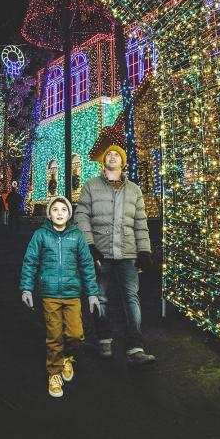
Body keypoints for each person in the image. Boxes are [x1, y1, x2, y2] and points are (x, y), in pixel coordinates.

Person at [74, 141, 155, 366]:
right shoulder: (91, 186)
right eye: (108, 154)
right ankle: (104, 339)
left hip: (128, 253)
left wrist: (145, 251)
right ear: (103, 161)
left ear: (122, 161)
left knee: (131, 299)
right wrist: (90, 245)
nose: (111, 157)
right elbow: (81, 216)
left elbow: (140, 223)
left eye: (116, 155)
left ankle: (135, 347)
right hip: (100, 253)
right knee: (100, 298)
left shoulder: (134, 190)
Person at [20, 196, 103, 398]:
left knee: (75, 334)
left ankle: (67, 356)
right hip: (49, 295)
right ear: (49, 214)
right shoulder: (41, 235)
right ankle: (54, 373)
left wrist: (92, 294)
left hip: (73, 294)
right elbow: (30, 261)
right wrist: (26, 288)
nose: (59, 213)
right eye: (55, 209)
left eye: (63, 210)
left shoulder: (77, 236)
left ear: (69, 214)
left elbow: (87, 266)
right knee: (54, 336)